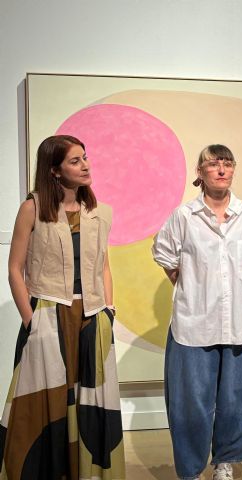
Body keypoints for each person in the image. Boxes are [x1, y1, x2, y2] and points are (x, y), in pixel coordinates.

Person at [1, 135, 125, 479]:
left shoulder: (100, 212)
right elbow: (15, 269)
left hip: (92, 318)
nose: (85, 165)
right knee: (42, 407)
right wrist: (31, 321)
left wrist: (108, 310)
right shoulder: (33, 208)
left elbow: (103, 266)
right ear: (54, 170)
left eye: (85, 157)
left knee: (90, 405)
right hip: (49, 316)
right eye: (74, 160)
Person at [152, 144, 242, 480]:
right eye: (213, 164)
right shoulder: (184, 216)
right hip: (194, 323)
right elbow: (164, 253)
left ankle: (224, 462)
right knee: (191, 403)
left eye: (227, 163)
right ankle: (190, 470)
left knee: (236, 400)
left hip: (239, 321)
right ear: (199, 172)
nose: (222, 169)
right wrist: (189, 285)